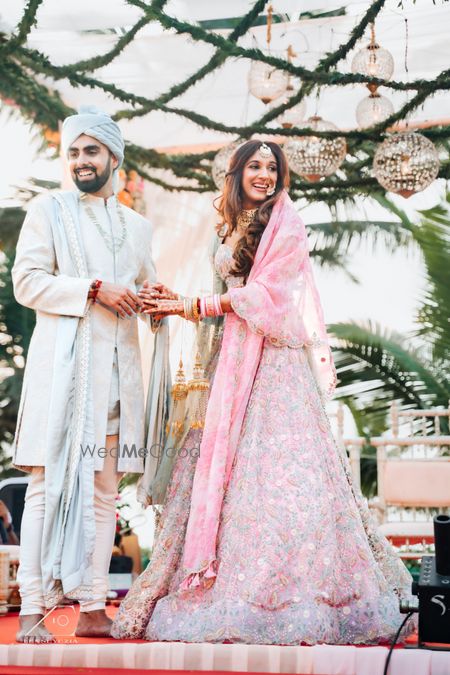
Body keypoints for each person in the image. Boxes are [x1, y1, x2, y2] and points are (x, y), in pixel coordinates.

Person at [111, 140, 415, 645]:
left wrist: (192, 305)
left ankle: (293, 594)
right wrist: (177, 300)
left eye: (272, 167)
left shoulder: (286, 223)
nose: (265, 175)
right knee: (231, 477)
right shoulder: (230, 223)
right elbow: (221, 288)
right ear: (235, 173)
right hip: (231, 362)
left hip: (274, 365)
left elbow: (267, 298)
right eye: (255, 165)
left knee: (278, 480)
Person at [12, 106, 165, 643]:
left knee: (104, 492)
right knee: (44, 487)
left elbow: (147, 289)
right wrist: (94, 289)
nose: (80, 160)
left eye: (90, 150)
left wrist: (155, 301)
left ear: (114, 158)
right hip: (61, 382)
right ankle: (33, 606)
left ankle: (95, 607)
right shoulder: (48, 210)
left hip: (119, 383)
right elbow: (26, 283)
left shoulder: (139, 227)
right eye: (73, 151)